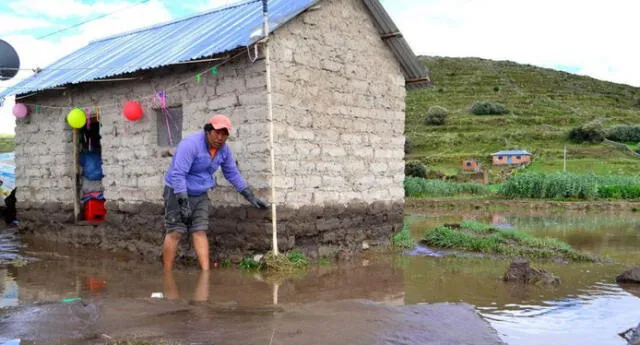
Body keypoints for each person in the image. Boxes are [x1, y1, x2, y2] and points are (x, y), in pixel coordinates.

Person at [163, 114, 268, 271]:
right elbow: (178, 175)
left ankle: (205, 273)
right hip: (177, 191)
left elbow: (232, 173)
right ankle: (167, 273)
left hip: (200, 193)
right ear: (208, 131)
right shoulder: (190, 145)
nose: (220, 137)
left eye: (224, 134)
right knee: (176, 232)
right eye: (217, 133)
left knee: (199, 230)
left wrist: (249, 195)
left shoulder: (223, 150)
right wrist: (183, 203)